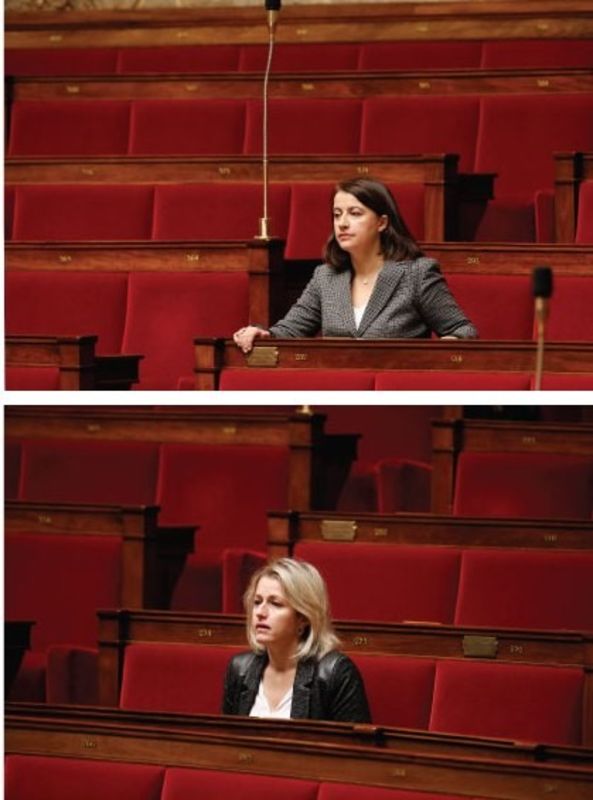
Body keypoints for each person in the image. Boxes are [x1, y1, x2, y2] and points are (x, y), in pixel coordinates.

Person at [233, 177, 478, 352]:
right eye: (337, 214)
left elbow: (464, 331)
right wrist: (263, 333)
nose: (342, 223)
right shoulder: (325, 276)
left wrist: (435, 355)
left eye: (355, 213)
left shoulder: (417, 273)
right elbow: (290, 330)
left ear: (382, 223)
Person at [221, 558, 371, 723]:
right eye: (257, 602)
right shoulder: (240, 669)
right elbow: (228, 743)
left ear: (304, 617)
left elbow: (353, 747)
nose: (260, 612)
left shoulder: (335, 673)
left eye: (275, 603)